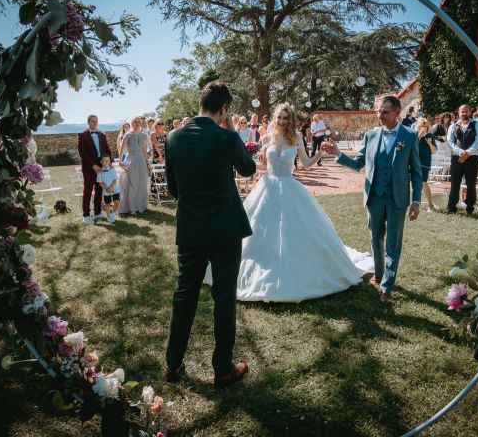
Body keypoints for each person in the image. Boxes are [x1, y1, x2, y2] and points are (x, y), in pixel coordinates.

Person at [204, 102, 373, 300]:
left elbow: (307, 164)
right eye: (279, 117)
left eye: (286, 118)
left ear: (290, 119)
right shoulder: (267, 137)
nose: (282, 121)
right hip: (267, 188)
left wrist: (320, 153)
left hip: (289, 186)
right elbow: (262, 167)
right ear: (274, 118)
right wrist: (244, 160)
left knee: (293, 230)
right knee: (257, 230)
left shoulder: (297, 137)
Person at [164, 81, 256, 387]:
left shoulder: (174, 137)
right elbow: (248, 169)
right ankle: (222, 368)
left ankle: (173, 363)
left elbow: (174, 189)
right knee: (223, 297)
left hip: (190, 230)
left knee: (184, 294)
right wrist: (231, 131)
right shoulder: (227, 137)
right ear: (224, 109)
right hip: (225, 230)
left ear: (201, 103)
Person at [323, 95, 422, 304]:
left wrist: (416, 200)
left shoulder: (410, 136)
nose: (380, 115)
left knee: (393, 243)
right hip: (374, 197)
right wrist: (338, 154)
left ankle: (387, 286)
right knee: (375, 237)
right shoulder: (371, 135)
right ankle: (378, 275)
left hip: (398, 198)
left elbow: (416, 171)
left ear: (397, 112)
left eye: (384, 111)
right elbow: (358, 163)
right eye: (378, 111)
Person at [446, 104, 478, 215]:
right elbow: (450, 141)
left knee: (471, 184)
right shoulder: (453, 125)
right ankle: (451, 207)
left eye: (466, 111)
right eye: (462, 112)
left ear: (470, 112)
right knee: (454, 183)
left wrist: (467, 153)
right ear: (458, 113)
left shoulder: (477, 124)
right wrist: (460, 152)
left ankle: (470, 208)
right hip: (457, 158)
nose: (464, 113)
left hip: (472, 158)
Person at [77, 114, 112, 225]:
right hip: (88, 167)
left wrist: (109, 162)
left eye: (96, 121)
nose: (95, 123)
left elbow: (107, 150)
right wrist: (93, 165)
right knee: (88, 190)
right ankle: (86, 215)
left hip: (101, 166)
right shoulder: (82, 135)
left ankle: (97, 213)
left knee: (99, 189)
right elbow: (83, 153)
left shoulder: (102, 135)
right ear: (88, 122)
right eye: (92, 121)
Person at [118, 117, 149, 215]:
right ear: (132, 123)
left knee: (141, 182)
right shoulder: (128, 134)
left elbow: (144, 149)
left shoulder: (144, 135)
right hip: (130, 160)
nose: (137, 123)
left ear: (141, 123)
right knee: (132, 183)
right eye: (135, 122)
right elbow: (122, 149)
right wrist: (120, 160)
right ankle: (131, 207)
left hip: (141, 161)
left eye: (138, 122)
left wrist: (147, 162)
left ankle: (140, 205)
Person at [416, 117, 438, 211]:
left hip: (424, 162)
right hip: (414, 162)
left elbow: (434, 151)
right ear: (418, 126)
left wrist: (430, 144)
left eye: (425, 126)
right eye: (421, 125)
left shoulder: (430, 136)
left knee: (423, 182)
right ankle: (415, 204)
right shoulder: (414, 135)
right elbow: (411, 147)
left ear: (428, 127)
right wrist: (419, 137)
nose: (423, 128)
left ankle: (430, 204)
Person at [96, 154, 120, 223]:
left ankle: (114, 213)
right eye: (105, 161)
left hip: (114, 188)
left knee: (117, 202)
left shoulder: (112, 170)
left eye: (108, 161)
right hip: (106, 190)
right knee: (108, 203)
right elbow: (100, 183)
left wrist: (111, 188)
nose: (107, 162)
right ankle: (108, 216)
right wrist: (107, 188)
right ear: (101, 162)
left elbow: (115, 180)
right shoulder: (100, 173)